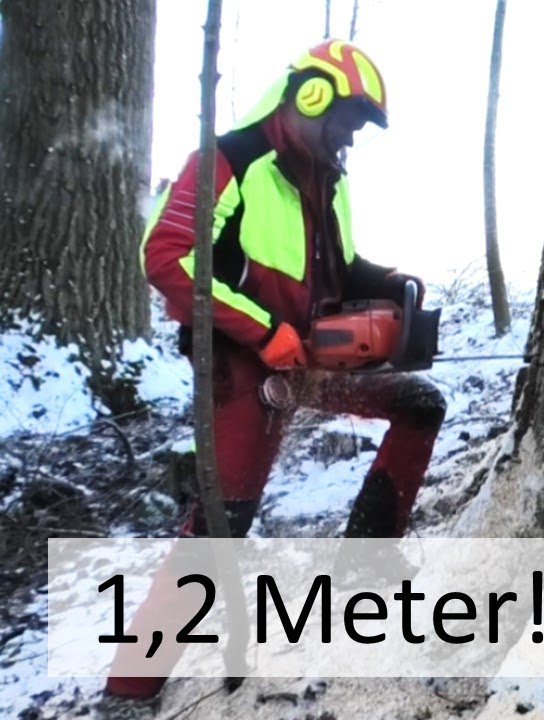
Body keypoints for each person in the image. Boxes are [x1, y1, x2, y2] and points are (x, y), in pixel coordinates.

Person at [102, 40, 447, 704]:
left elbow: (338, 269)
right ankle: (131, 684)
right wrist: (264, 331)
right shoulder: (228, 160)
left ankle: (364, 570)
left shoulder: (327, 179)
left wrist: (390, 281)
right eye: (346, 118)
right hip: (241, 367)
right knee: (222, 524)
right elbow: (168, 256)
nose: (349, 135)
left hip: (309, 356)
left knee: (418, 405)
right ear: (308, 95)